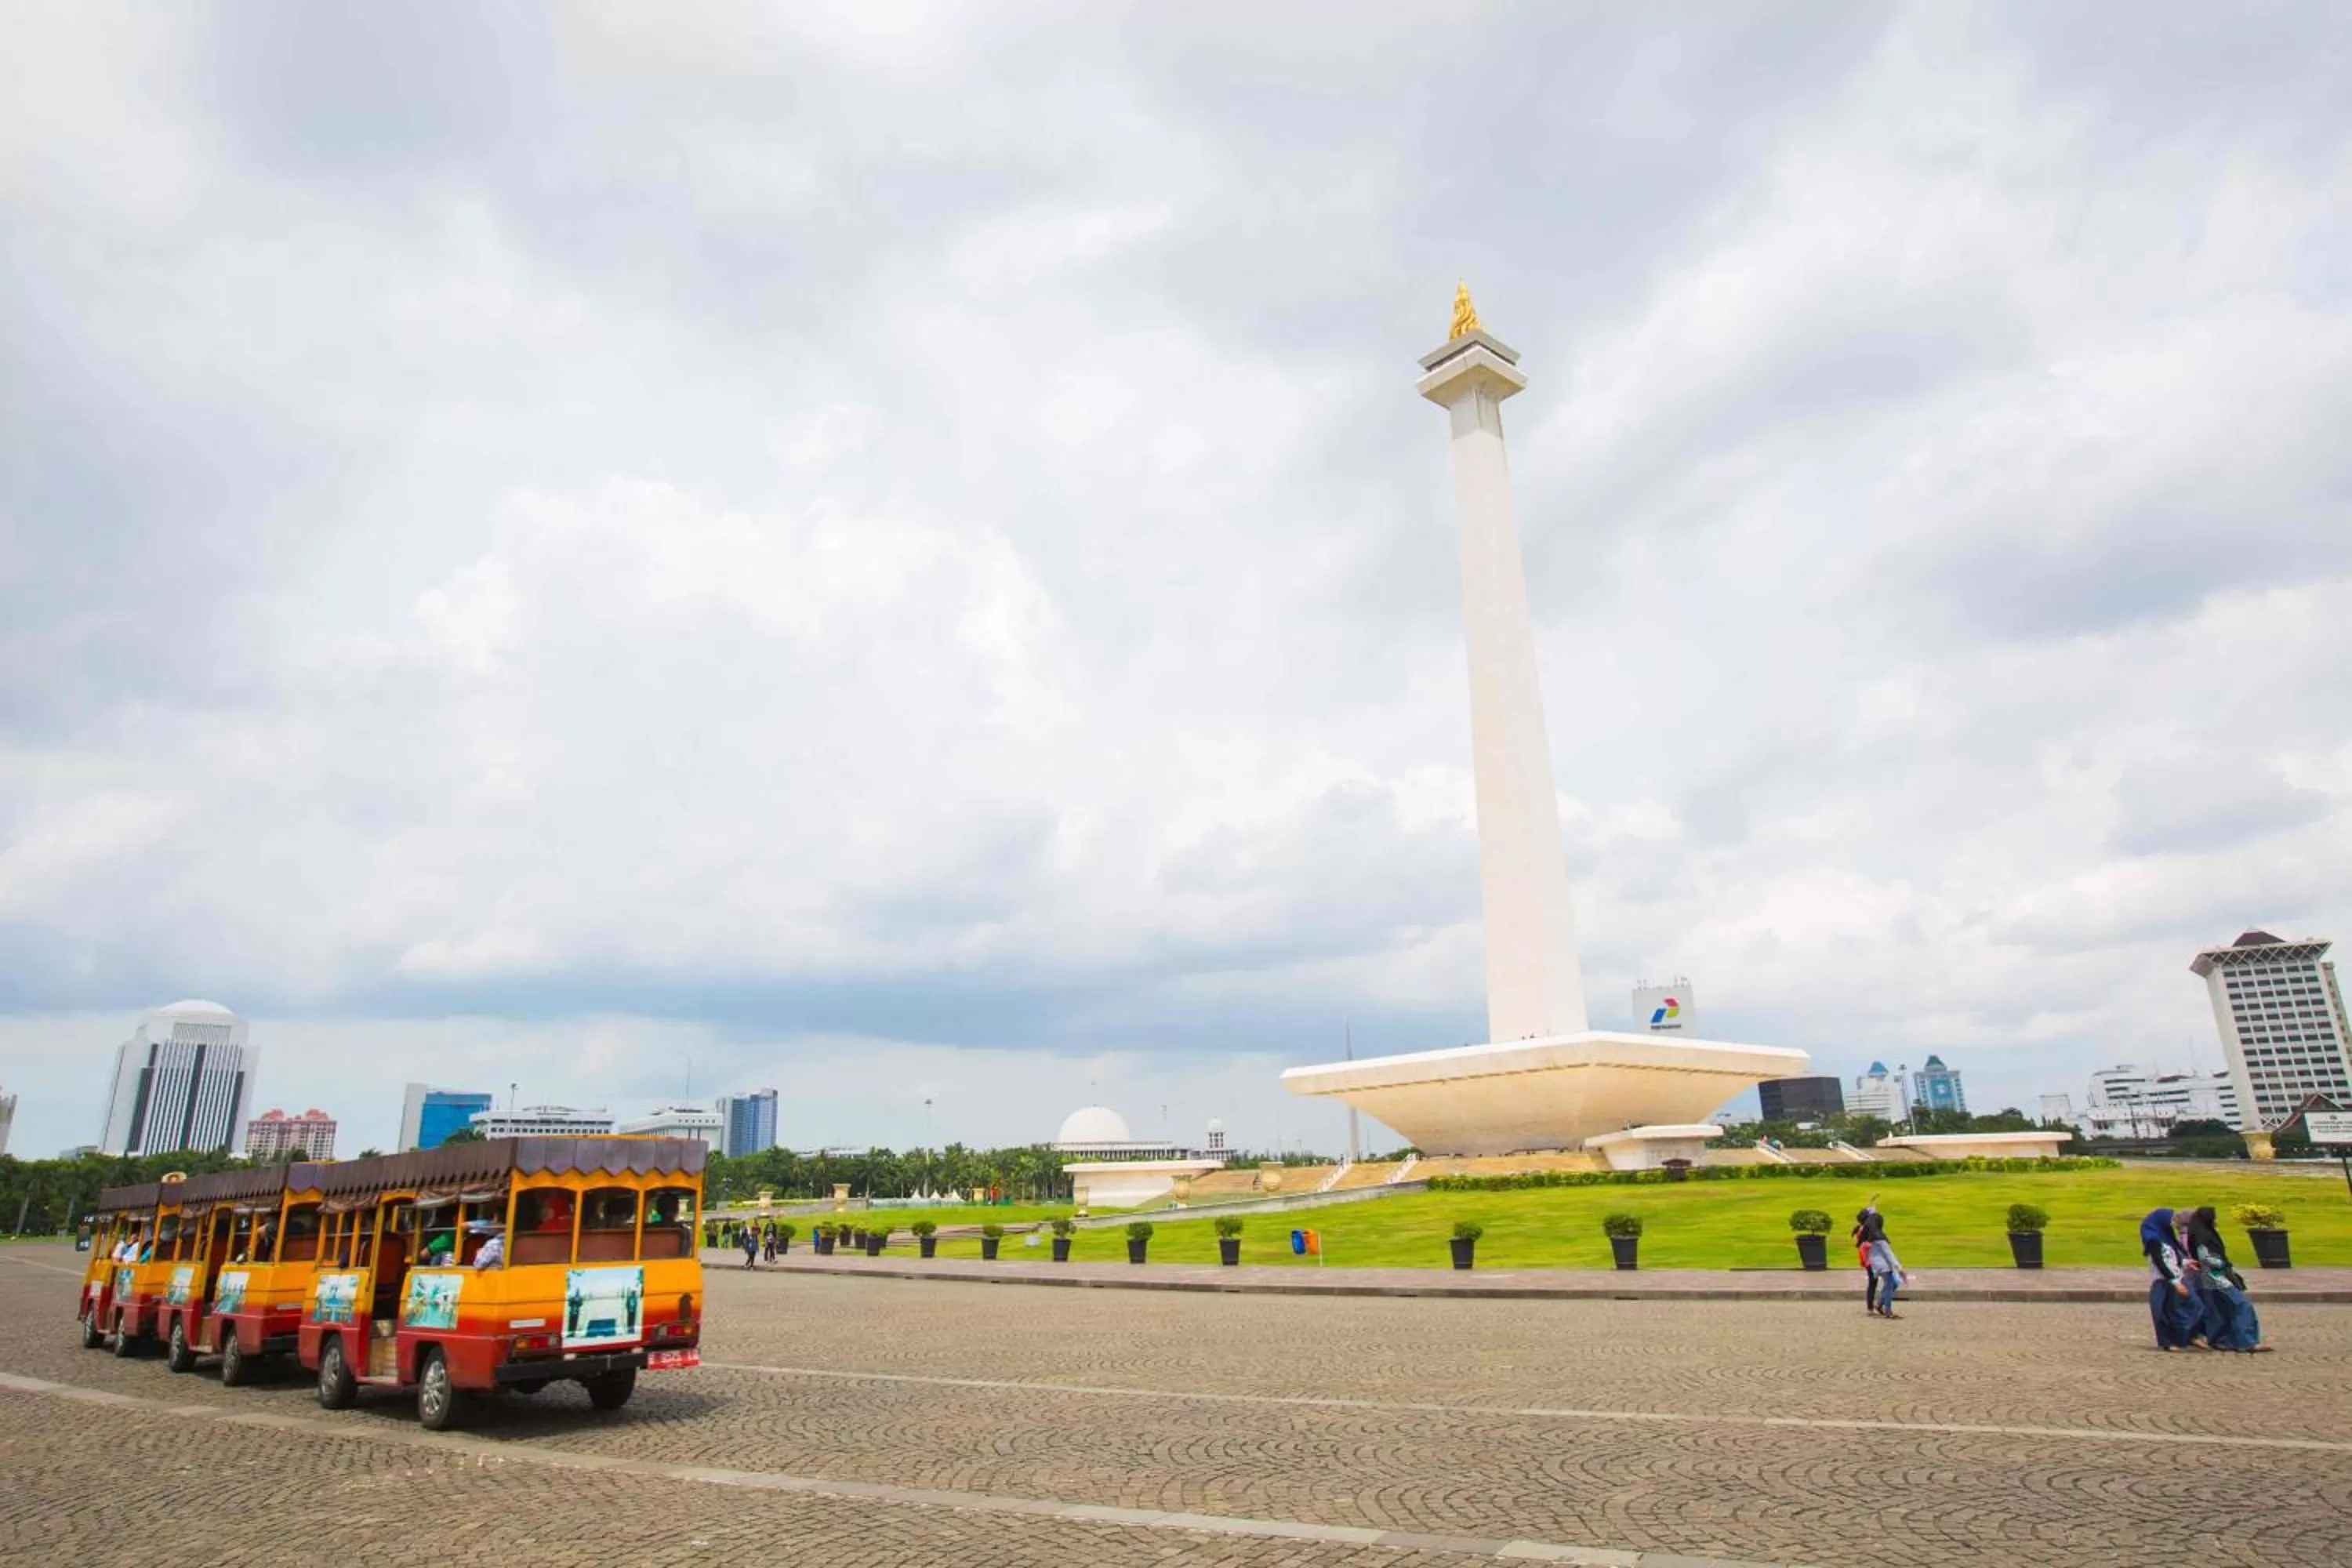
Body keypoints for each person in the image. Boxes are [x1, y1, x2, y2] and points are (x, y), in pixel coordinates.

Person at [2185, 1207, 2267, 1352]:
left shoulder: (2202, 1234)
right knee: (2241, 1304)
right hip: (2214, 1275)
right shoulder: (2203, 1237)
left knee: (2220, 1309)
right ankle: (2246, 1341)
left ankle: (2222, 1340)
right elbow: (2207, 1259)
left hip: (2211, 1275)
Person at [2140, 1207, 2201, 1350]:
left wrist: (2185, 1263)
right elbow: (2160, 1262)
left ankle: (2186, 1337)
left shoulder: (2167, 1237)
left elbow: (2173, 1257)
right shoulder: (2154, 1240)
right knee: (2163, 1312)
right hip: (2163, 1280)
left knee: (2190, 1306)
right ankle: (2167, 1342)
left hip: (2176, 1277)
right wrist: (2174, 1281)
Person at [1852, 1205, 1888, 1314]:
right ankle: (1879, 1304)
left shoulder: (1861, 1229)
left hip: (1869, 1261)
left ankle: (1871, 1307)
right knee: (1888, 1281)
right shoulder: (1866, 1230)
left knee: (1873, 1283)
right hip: (1873, 1260)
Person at [1866, 1233, 1906, 1319]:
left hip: (1877, 1265)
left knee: (1893, 1284)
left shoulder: (1870, 1239)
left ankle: (1880, 1304)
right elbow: (1889, 1255)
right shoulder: (1880, 1241)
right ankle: (1888, 1311)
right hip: (1884, 1266)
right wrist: (1899, 1268)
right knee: (1890, 1285)